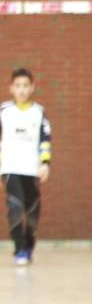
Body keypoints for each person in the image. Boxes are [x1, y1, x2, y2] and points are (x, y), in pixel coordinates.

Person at [0, 68, 52, 266]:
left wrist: (45, 163)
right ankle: (19, 249)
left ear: (32, 88)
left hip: (31, 169)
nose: (21, 90)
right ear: (11, 88)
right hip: (10, 168)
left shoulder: (39, 112)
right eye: (18, 86)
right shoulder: (4, 111)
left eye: (25, 86)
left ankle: (28, 248)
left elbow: (45, 140)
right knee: (15, 206)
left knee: (31, 211)